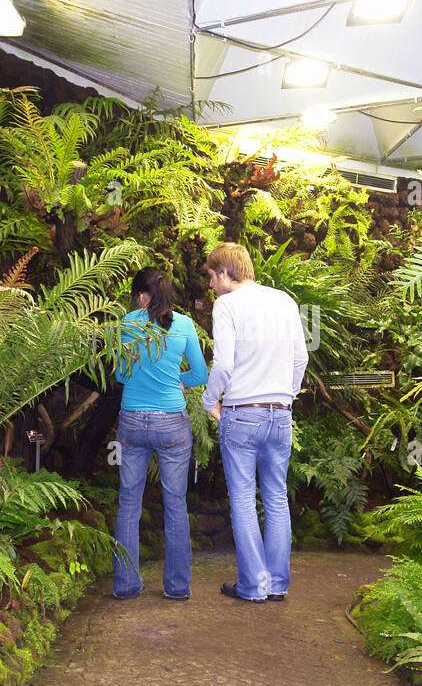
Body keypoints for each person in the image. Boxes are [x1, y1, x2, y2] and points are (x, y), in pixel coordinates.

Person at [202, 242, 308, 602]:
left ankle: (253, 586)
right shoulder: (285, 301)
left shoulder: (227, 304)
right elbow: (301, 359)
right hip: (280, 415)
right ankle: (276, 585)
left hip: (241, 414)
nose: (211, 286)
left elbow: (224, 364)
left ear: (224, 272)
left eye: (212, 277)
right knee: (277, 497)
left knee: (245, 500)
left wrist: (207, 398)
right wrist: (287, 396)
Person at [112, 266, 208, 600]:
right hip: (171, 423)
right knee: (175, 503)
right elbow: (200, 373)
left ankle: (125, 584)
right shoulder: (184, 325)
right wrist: (177, 382)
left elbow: (121, 376)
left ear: (142, 295)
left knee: (128, 503)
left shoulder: (127, 324)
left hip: (133, 421)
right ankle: (178, 586)